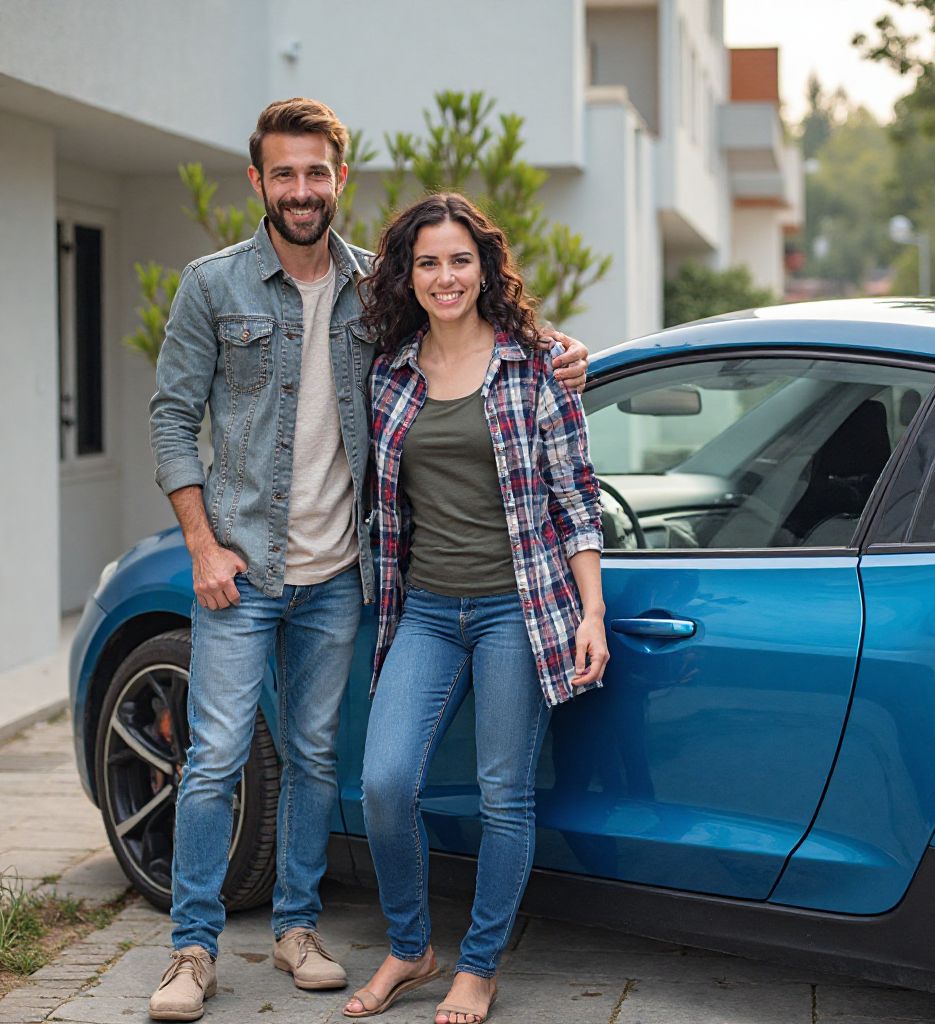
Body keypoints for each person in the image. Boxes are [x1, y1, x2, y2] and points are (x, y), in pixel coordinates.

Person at [147, 99, 588, 1022]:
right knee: (218, 758)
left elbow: (485, 354)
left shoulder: (371, 293)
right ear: (259, 180)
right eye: (284, 173)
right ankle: (192, 950)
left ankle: (299, 930)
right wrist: (201, 543)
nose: (301, 190)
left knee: (316, 758)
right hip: (245, 569)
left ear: (339, 179)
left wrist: (557, 348)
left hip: (345, 577)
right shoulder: (214, 285)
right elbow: (171, 418)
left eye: (317, 172)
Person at [343, 193, 609, 1024]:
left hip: (516, 613)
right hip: (424, 610)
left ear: (485, 268)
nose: (445, 276)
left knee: (504, 796)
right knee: (384, 784)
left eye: (460, 259)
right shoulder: (389, 372)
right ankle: (411, 947)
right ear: (407, 275)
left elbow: (577, 499)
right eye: (427, 262)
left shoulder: (537, 365)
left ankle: (481, 966)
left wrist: (592, 614)